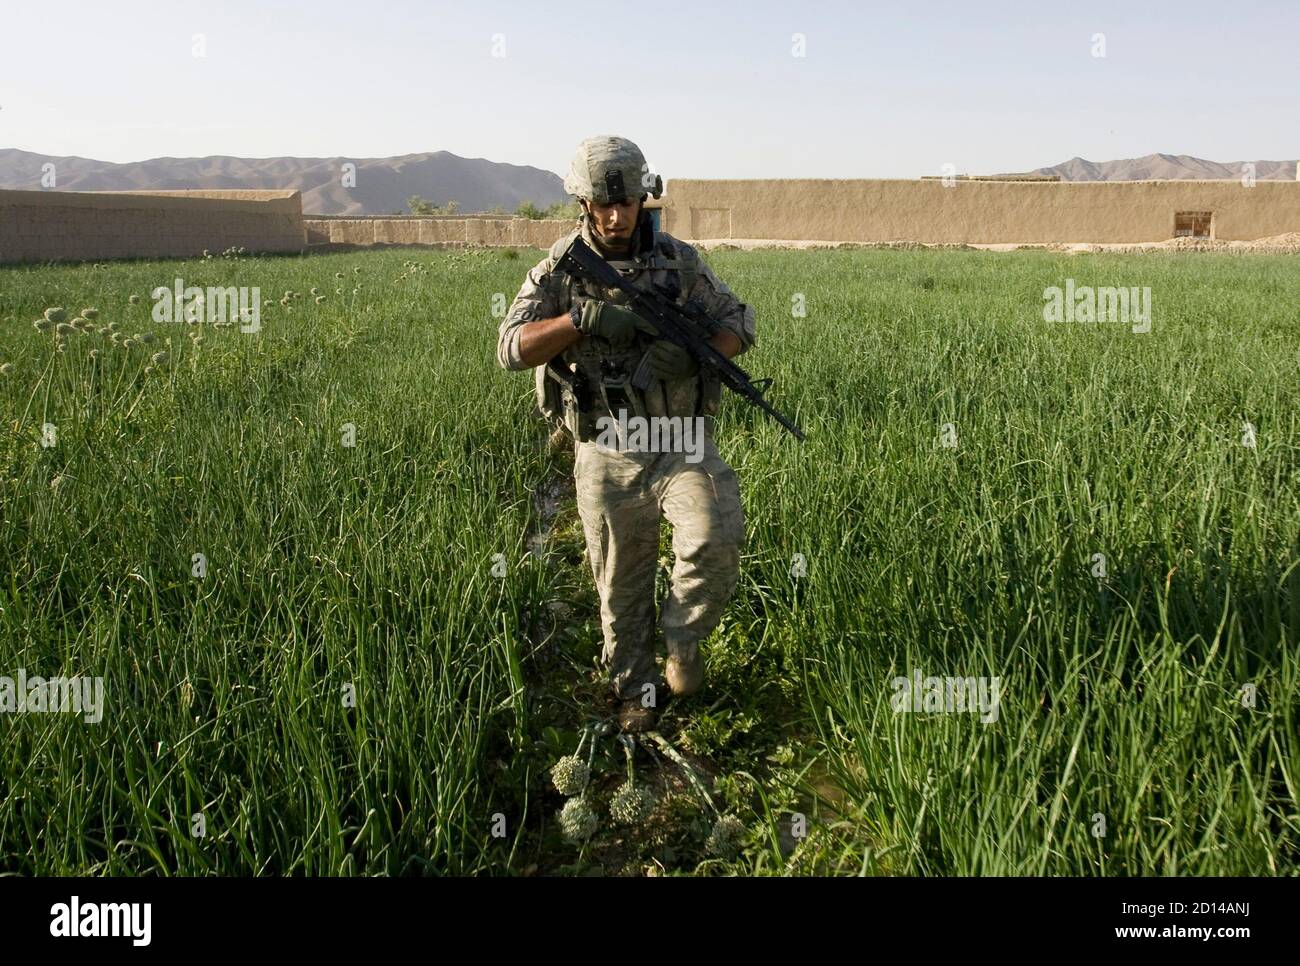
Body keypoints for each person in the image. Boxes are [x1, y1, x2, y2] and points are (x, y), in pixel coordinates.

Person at [496, 135, 756, 732]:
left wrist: (700, 356)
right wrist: (577, 319)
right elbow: (510, 349)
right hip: (607, 447)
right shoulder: (558, 270)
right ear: (583, 205)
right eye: (602, 206)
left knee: (715, 536)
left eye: (627, 204)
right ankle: (638, 687)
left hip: (681, 440)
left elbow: (738, 321)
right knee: (619, 586)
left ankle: (684, 644)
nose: (615, 218)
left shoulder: (681, 263)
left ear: (645, 198)